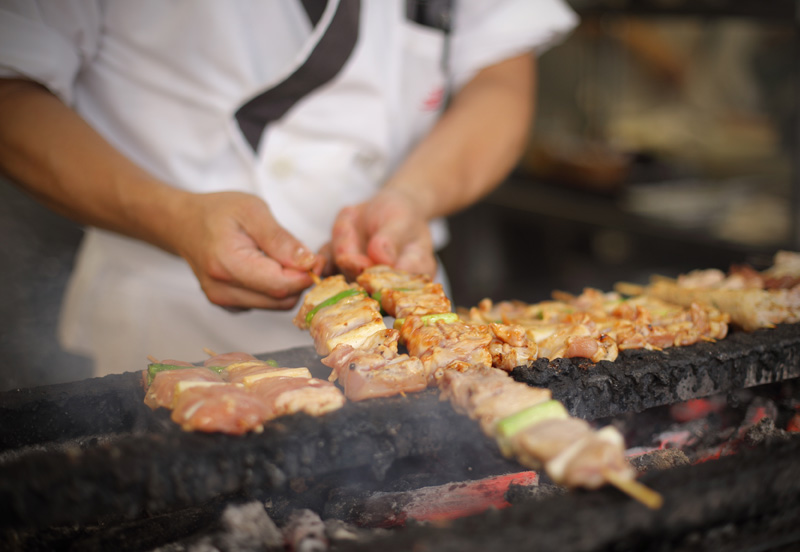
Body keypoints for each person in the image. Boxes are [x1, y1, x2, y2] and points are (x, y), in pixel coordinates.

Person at [0, 0, 577, 377]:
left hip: (410, 324)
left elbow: (499, 77)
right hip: (166, 314)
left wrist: (415, 197)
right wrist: (173, 217)